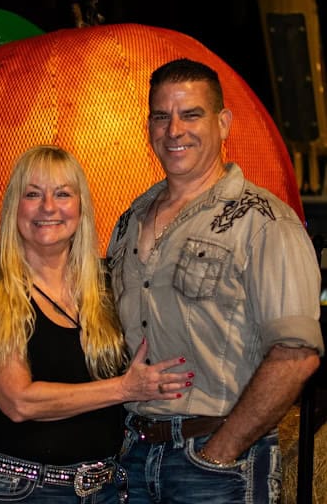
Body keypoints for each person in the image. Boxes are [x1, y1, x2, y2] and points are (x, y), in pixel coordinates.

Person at [106, 58, 325, 503]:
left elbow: (296, 355)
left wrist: (221, 453)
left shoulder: (264, 222)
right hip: (132, 458)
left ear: (223, 123)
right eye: (161, 116)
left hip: (217, 465)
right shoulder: (128, 221)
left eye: (191, 114)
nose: (174, 130)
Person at [0, 145, 194, 503]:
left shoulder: (108, 282)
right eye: (33, 194)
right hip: (21, 489)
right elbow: (18, 402)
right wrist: (124, 388)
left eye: (62, 194)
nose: (48, 208)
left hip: (105, 487)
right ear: (14, 206)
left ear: (81, 207)